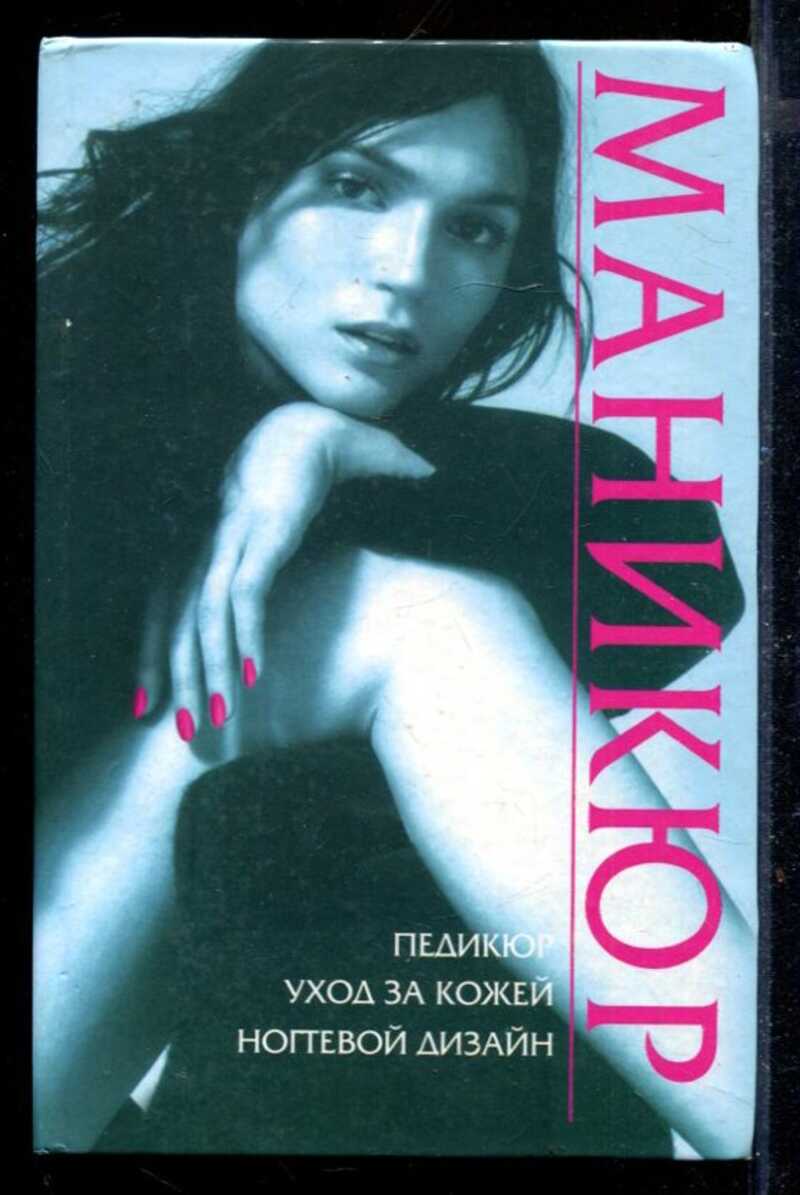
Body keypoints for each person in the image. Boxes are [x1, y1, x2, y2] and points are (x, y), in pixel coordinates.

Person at [35, 40, 752, 1157]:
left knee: (384, 758)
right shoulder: (70, 386)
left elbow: (676, 569)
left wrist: (319, 446)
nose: (408, 268)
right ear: (242, 183)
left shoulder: (324, 434)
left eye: (474, 228)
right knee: (410, 619)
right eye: (356, 185)